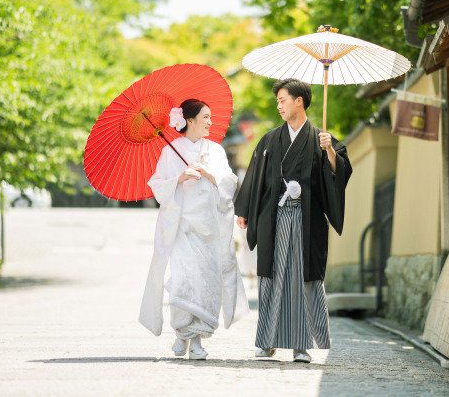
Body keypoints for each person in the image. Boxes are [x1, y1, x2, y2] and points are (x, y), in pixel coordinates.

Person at [235, 78, 352, 363]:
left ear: (299, 100)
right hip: (274, 217)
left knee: (303, 277)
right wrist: (245, 210)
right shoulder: (270, 140)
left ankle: (302, 344)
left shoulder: (322, 140)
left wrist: (331, 153)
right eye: (278, 101)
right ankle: (267, 342)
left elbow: (340, 174)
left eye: (282, 100)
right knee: (271, 277)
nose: (279, 105)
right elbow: (255, 176)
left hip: (307, 217)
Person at [139, 99, 248, 360]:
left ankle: (197, 339)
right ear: (190, 120)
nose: (211, 122)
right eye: (206, 117)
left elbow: (229, 184)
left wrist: (211, 175)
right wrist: (181, 177)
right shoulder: (171, 151)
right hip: (183, 228)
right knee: (184, 281)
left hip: (209, 229)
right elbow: (158, 185)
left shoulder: (217, 151)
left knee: (206, 283)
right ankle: (182, 335)